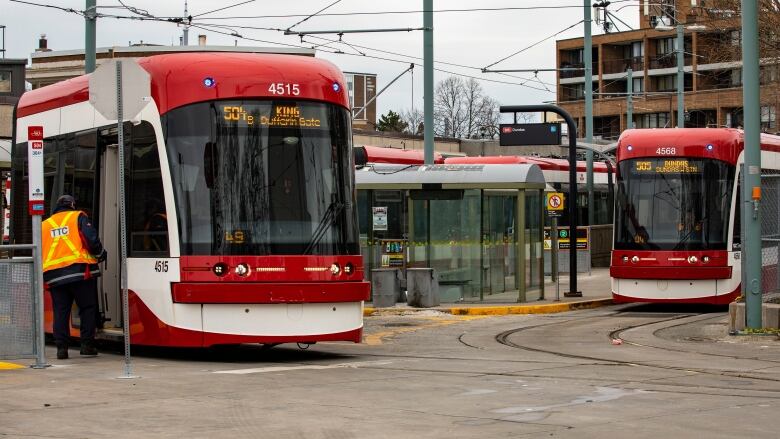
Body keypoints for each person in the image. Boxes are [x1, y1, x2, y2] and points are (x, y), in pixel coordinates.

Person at [41, 195, 106, 360]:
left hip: (53, 275)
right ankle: (87, 346)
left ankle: (61, 349)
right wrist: (100, 254)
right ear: (72, 205)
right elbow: (91, 240)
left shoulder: (44, 225)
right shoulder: (78, 216)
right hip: (79, 271)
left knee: (61, 311)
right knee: (87, 308)